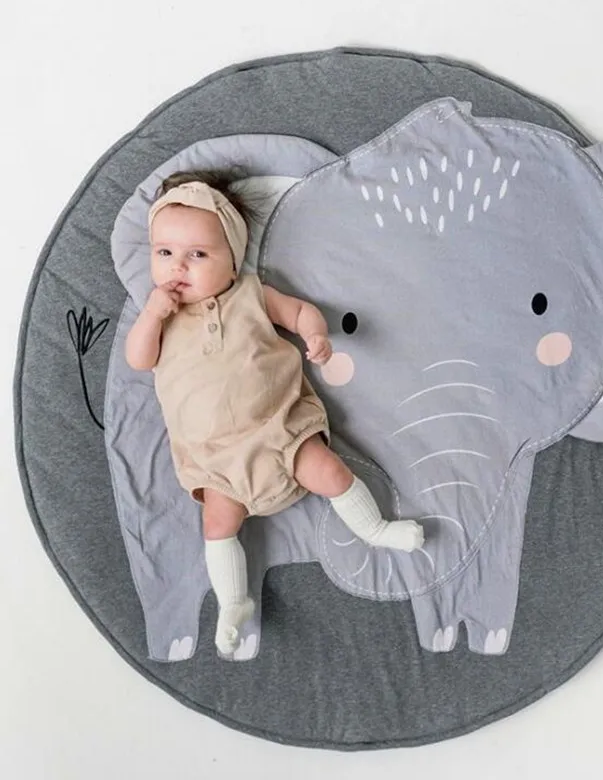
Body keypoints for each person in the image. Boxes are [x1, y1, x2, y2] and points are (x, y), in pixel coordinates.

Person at [125, 171, 424, 655]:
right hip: (216, 461)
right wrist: (153, 315)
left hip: (280, 430)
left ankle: (375, 528)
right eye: (164, 253)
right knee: (217, 525)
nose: (177, 266)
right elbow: (139, 359)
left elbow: (299, 312)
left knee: (329, 471)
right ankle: (233, 601)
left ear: (232, 259)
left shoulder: (251, 293)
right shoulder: (160, 316)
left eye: (197, 255)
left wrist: (315, 334)